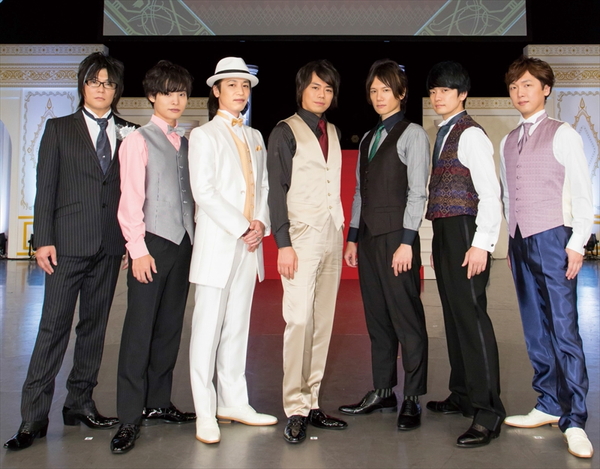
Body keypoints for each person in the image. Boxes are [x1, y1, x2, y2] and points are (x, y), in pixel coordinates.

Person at [4, 52, 134, 451]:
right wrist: (42, 239)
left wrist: (130, 240)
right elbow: (46, 187)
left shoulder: (130, 132)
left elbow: (132, 193)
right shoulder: (59, 128)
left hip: (109, 245)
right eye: (95, 81)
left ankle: (79, 402)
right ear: (82, 85)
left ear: (117, 89)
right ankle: (33, 417)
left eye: (109, 83)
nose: (101, 88)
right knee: (53, 328)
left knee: (95, 329)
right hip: (66, 245)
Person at [500, 56, 594, 459]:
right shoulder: (507, 140)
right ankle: (549, 403)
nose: (520, 92)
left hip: (555, 237)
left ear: (546, 89)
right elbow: (508, 194)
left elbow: (583, 192)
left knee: (564, 329)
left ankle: (575, 419)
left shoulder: (563, 134)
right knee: (535, 328)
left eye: (528, 85)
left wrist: (577, 242)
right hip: (520, 240)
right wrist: (510, 238)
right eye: (514, 86)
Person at [188, 57, 276, 445]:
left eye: (245, 86)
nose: (240, 92)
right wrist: (242, 227)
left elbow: (264, 186)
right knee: (206, 331)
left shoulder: (255, 135)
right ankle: (205, 412)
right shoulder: (203, 135)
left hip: (249, 246)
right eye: (232, 85)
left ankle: (234, 402)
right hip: (219, 244)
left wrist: (259, 224)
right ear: (216, 90)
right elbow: (203, 191)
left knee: (238, 327)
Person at [110, 60, 196, 454]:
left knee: (169, 328)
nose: (176, 100)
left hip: (184, 244)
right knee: (139, 330)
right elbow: (130, 200)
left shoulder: (187, 142)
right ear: (151, 96)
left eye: (181, 93)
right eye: (167, 93)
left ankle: (158, 402)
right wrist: (138, 249)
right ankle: (129, 417)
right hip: (151, 245)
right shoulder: (137, 140)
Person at [338, 59, 429, 431]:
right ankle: (383, 390)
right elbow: (360, 193)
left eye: (386, 90)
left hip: (397, 239)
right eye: (373, 91)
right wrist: (352, 238)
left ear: (401, 93)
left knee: (407, 320)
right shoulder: (369, 138)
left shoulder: (413, 135)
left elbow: (418, 192)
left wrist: (407, 242)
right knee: (376, 319)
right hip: (370, 239)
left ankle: (413, 397)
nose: (378, 97)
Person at [424, 61, 505, 448]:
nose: (438, 96)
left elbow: (491, 194)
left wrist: (481, 244)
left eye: (445, 90)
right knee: (454, 316)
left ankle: (488, 412)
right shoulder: (443, 131)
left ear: (462, 94)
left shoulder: (470, 134)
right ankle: (462, 394)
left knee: (471, 317)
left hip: (465, 231)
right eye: (433, 91)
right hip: (445, 231)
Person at [267, 59, 347, 444]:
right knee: (298, 321)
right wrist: (283, 244)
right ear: (301, 89)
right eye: (316, 87)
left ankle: (312, 401)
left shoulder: (332, 130)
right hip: (300, 237)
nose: (322, 94)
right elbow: (275, 191)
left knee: (322, 321)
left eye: (328, 89)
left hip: (331, 233)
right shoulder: (284, 131)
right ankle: (294, 407)